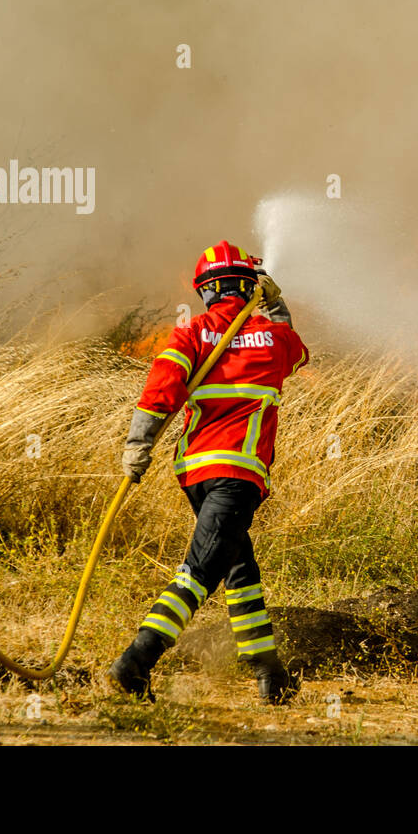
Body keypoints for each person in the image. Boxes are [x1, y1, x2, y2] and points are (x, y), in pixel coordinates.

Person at [107, 240, 308, 704]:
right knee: (200, 572)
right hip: (238, 475)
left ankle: (268, 670)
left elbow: (160, 389)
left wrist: (137, 444)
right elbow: (297, 355)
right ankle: (135, 663)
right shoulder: (276, 339)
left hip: (196, 473)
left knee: (238, 567)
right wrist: (277, 305)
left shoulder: (189, 334)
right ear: (248, 286)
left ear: (207, 291)